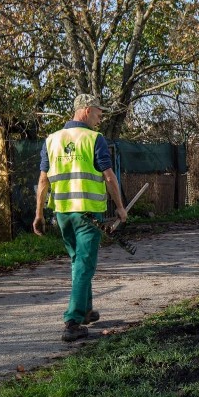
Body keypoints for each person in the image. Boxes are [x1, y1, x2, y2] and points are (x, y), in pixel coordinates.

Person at [33, 94, 128, 342]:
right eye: (99, 112)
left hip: (63, 214)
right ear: (85, 110)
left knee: (78, 261)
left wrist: (39, 213)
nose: (101, 117)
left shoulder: (52, 140)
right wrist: (120, 207)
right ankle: (72, 321)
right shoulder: (94, 139)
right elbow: (109, 176)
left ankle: (86, 310)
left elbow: (43, 180)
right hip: (87, 214)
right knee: (85, 264)